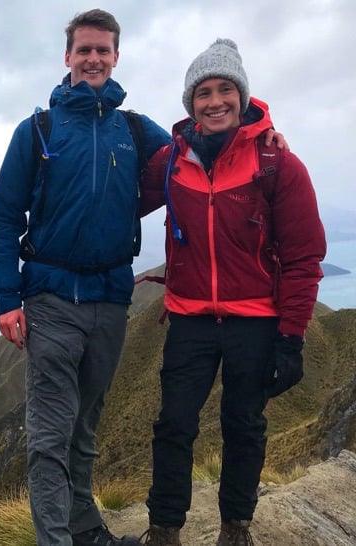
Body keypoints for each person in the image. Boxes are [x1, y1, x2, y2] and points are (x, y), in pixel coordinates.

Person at [0, 9, 171, 546]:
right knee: (50, 436)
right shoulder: (38, 130)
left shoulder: (133, 129)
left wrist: (260, 131)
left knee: (84, 430)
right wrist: (6, 297)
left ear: (116, 57)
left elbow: (195, 152)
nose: (93, 58)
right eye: (84, 49)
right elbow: (4, 216)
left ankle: (87, 534)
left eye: (103, 50)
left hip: (111, 301)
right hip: (49, 301)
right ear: (67, 57)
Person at [137, 39, 326, 546]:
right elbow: (124, 199)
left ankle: (235, 528)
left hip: (256, 321)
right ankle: (164, 529)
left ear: (242, 97)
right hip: (190, 318)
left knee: (243, 425)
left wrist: (291, 339)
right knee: (173, 424)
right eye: (203, 92)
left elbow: (305, 257)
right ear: (190, 103)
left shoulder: (277, 164)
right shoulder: (172, 162)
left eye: (225, 90)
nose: (215, 101)